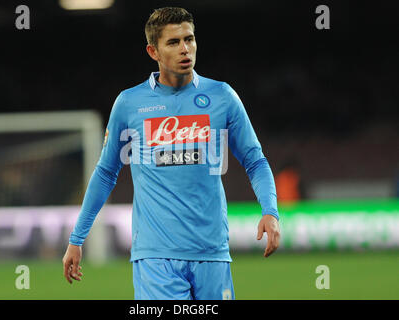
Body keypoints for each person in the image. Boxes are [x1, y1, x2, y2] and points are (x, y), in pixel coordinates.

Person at [63, 7, 280, 300]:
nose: (185, 49)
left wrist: (270, 210)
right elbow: (105, 173)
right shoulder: (129, 103)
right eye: (173, 42)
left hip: (212, 251)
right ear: (153, 51)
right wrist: (77, 238)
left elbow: (255, 160)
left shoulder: (222, 97)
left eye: (189, 39)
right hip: (155, 256)